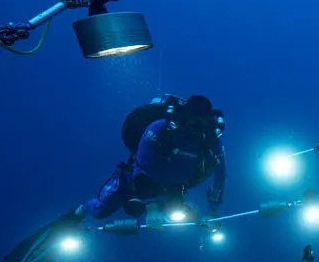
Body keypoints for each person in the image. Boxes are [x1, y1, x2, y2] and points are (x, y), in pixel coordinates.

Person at [78, 94, 226, 225]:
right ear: (186, 116)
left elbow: (220, 174)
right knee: (100, 211)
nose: (197, 127)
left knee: (186, 216)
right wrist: (151, 207)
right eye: (194, 120)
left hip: (173, 188)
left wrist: (212, 211)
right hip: (136, 181)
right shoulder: (160, 128)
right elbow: (142, 166)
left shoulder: (209, 139)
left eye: (202, 122)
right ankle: (81, 210)